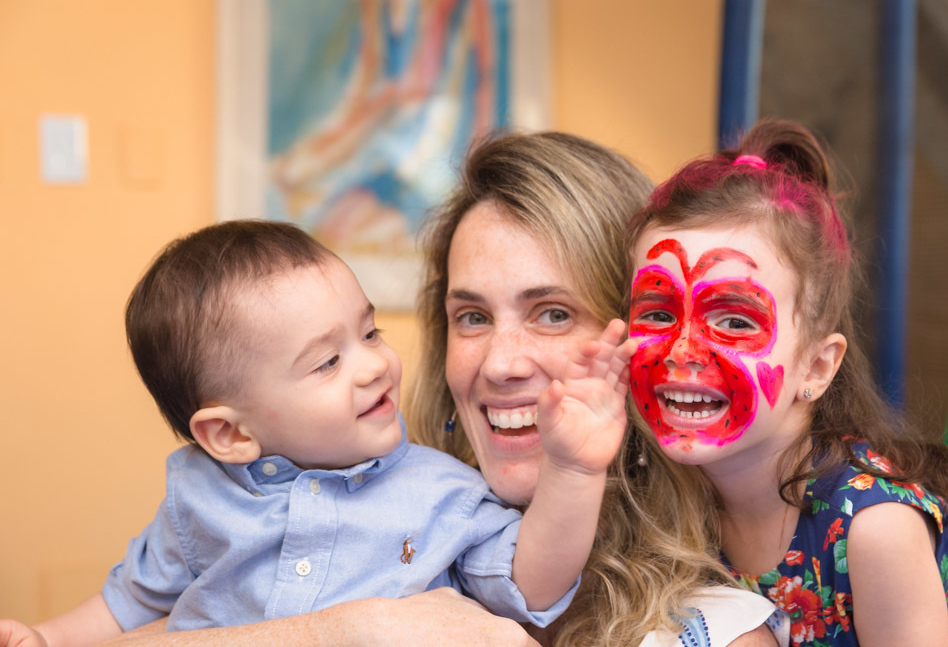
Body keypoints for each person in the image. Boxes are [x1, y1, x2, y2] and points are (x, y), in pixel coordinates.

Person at [57, 132, 785, 646]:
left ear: (646, 336)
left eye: (553, 312)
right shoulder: (288, 508)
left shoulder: (707, 630)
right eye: (471, 315)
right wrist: (351, 631)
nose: (498, 362)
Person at [0, 219, 636, 645]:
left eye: (369, 333)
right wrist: (47, 639)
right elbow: (129, 600)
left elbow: (532, 582)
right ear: (228, 433)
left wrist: (574, 472)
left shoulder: (444, 491)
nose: (375, 365)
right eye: (328, 362)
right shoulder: (198, 495)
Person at [624, 118, 948, 646]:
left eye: (736, 321)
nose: (683, 352)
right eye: (656, 313)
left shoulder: (875, 528)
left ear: (816, 367)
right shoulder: (670, 493)